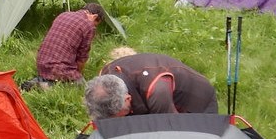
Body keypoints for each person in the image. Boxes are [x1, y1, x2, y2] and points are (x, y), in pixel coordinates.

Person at [84, 47, 218, 121]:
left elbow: (173, 128)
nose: (112, 122)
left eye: (115, 117)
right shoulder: (105, 77)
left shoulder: (157, 91)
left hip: (197, 102)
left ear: (128, 99)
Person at [24, 3, 104, 90]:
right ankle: (42, 86)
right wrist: (78, 75)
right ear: (95, 17)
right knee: (82, 88)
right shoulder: (89, 25)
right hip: (59, 68)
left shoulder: (63, 15)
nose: (94, 26)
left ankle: (39, 81)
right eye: (96, 24)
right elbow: (82, 57)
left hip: (41, 62)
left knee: (54, 75)